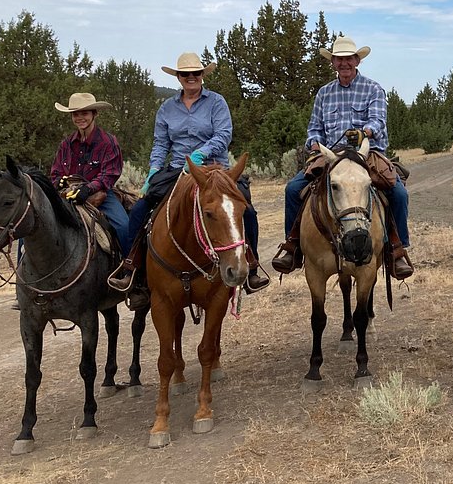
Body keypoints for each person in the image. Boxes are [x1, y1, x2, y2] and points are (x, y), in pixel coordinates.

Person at [111, 52, 266, 295]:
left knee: (246, 209)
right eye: (185, 74)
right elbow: (161, 143)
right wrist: (153, 171)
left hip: (216, 169)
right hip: (179, 171)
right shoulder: (166, 108)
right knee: (142, 209)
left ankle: (252, 267)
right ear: (179, 77)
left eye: (196, 73)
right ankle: (133, 269)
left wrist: (200, 154)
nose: (191, 77)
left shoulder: (217, 102)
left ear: (202, 75)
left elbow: (223, 135)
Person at [270, 35, 414, 280]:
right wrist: (314, 142)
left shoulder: (373, 89)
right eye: (339, 59)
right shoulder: (324, 93)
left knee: (397, 193)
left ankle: (396, 250)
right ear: (333, 62)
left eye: (349, 58)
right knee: (293, 189)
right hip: (330, 155)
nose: (344, 63)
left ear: (357, 60)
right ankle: (293, 245)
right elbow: (314, 127)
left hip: (368, 153)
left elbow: (378, 122)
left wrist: (363, 132)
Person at [51, 92, 128, 246]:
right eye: (75, 114)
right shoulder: (66, 144)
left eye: (84, 113)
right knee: (36, 219)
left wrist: (88, 189)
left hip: (100, 193)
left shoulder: (108, 142)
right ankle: (23, 267)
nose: (80, 118)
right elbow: (56, 172)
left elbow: (109, 174)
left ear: (94, 114)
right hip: (68, 194)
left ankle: (129, 267)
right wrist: (58, 182)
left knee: (124, 226)